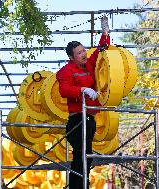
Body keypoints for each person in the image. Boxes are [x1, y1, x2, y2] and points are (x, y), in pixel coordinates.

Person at [56, 16, 110, 189]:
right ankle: (77, 187)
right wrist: (81, 90)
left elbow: (100, 50)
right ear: (71, 57)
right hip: (77, 120)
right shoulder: (65, 71)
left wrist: (105, 33)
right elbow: (64, 91)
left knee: (87, 155)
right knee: (80, 156)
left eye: (83, 50)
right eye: (79, 53)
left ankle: (82, 185)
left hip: (89, 118)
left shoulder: (89, 65)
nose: (84, 54)